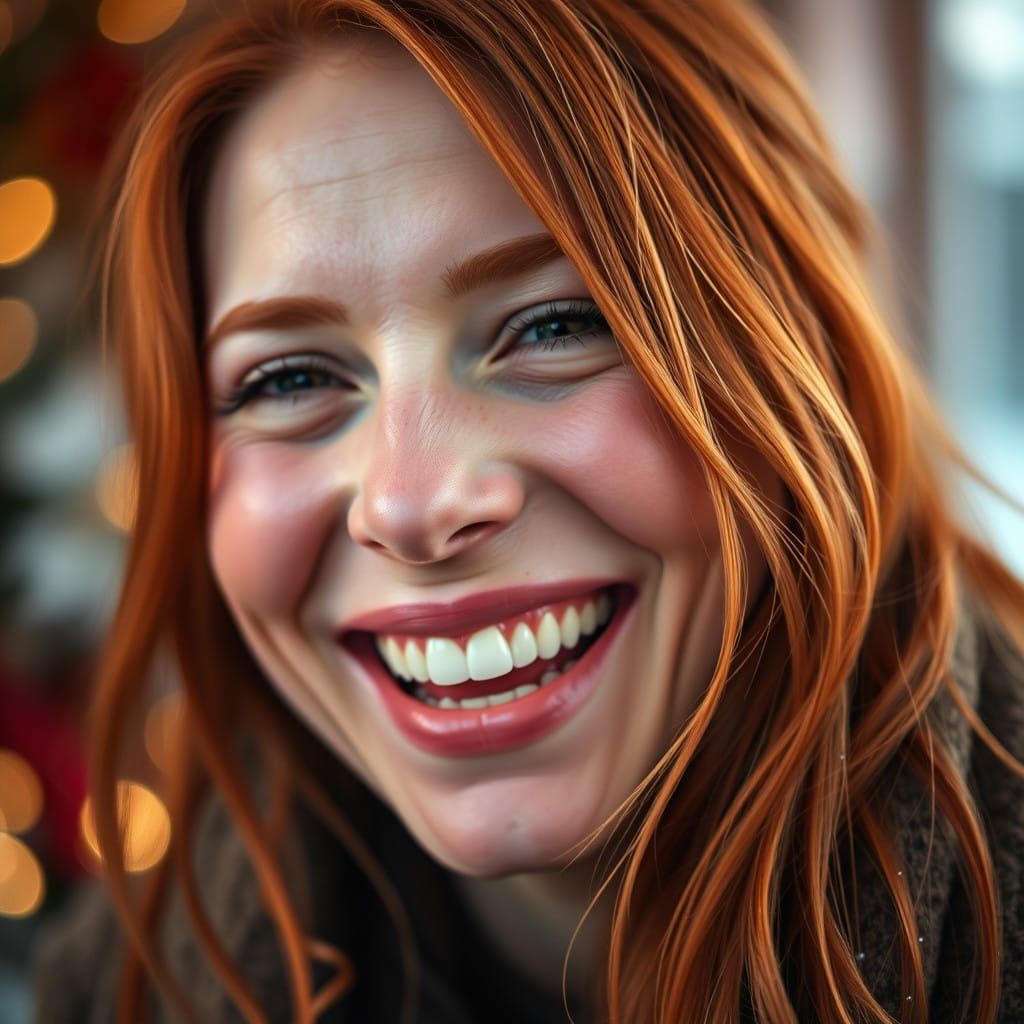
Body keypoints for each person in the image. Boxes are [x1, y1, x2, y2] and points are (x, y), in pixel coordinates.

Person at [33, 0, 1024, 1021]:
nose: (412, 504)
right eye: (287, 380)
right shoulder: (117, 988)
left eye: (553, 323)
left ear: (796, 351)